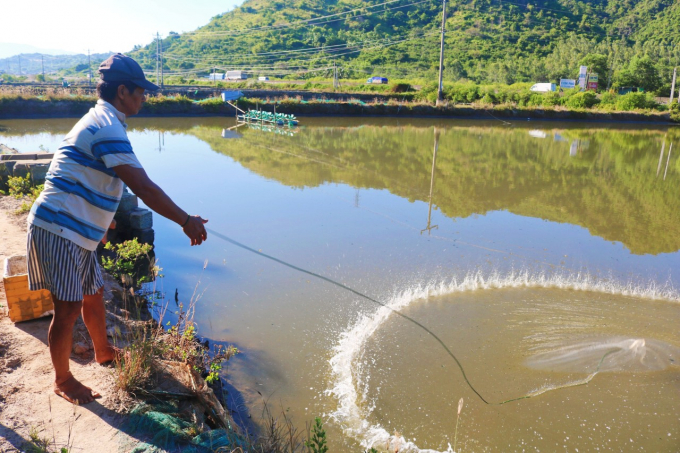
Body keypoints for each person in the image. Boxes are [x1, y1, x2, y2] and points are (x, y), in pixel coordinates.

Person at [26, 53, 208, 405]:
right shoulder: (108, 126)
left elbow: (99, 177)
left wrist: (105, 221)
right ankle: (62, 379)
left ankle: (104, 351)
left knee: (92, 292)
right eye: (141, 91)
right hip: (61, 227)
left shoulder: (105, 120)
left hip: (77, 229)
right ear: (122, 91)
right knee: (67, 308)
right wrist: (186, 221)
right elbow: (143, 187)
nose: (145, 97)